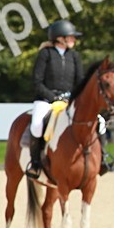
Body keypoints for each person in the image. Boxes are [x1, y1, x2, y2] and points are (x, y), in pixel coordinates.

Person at [27, 20, 85, 178]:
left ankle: (103, 157)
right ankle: (35, 163)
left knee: (98, 121)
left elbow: (80, 81)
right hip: (46, 100)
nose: (74, 40)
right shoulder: (45, 54)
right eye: (70, 37)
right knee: (37, 125)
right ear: (60, 38)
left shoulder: (74, 56)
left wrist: (73, 97)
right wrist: (53, 97)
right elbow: (37, 82)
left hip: (68, 101)